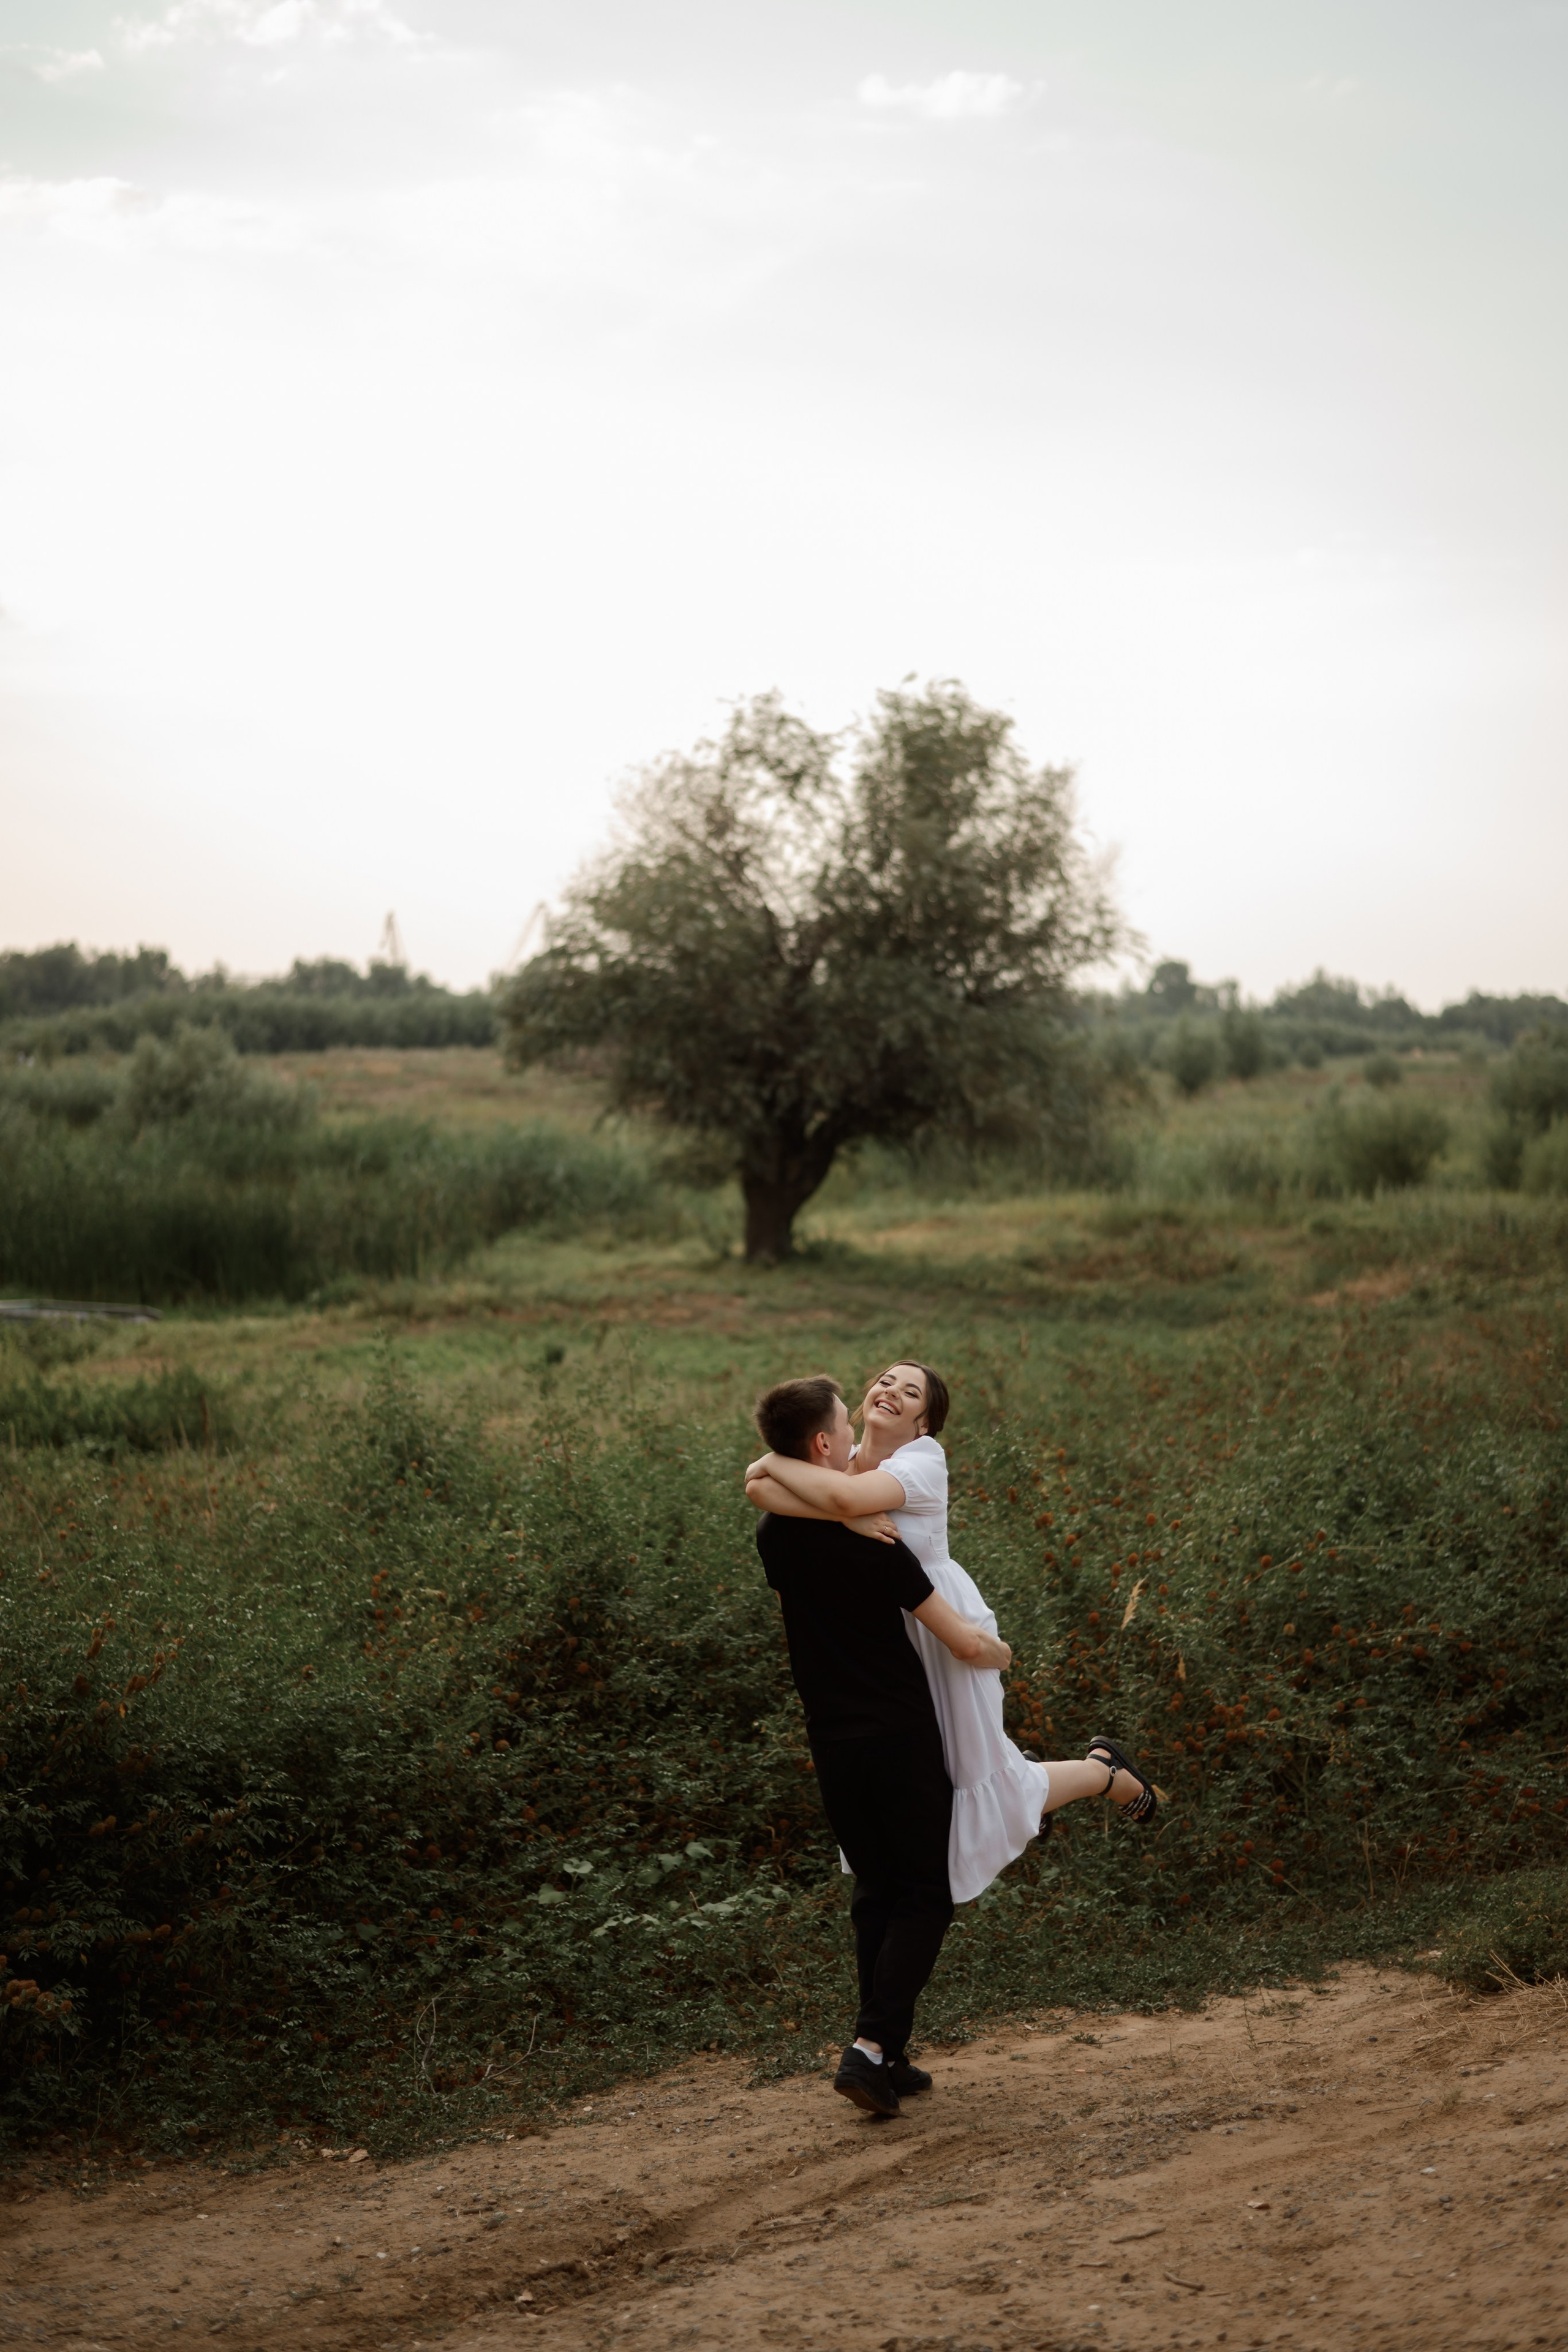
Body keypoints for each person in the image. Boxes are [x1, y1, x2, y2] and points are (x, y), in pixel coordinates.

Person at [746, 1360, 1158, 1911]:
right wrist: (839, 1515)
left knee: (979, 1780)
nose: (892, 1391)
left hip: (943, 1628)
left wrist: (821, 1497)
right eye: (886, 1381)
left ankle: (1102, 1772)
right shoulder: (843, 1460)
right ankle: (1038, 1793)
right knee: (941, 1778)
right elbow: (759, 1488)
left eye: (911, 1392)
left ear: (924, 1423)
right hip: (889, 1640)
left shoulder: (922, 1461)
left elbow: (815, 1491)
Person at [749, 1373, 1009, 2119]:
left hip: (830, 1737)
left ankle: (887, 2057)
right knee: (924, 1893)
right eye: (844, 1420)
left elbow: (767, 1490)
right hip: (897, 1730)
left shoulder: (772, 1535)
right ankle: (868, 2048)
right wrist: (998, 1653)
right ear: (825, 1444)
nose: (857, 1423)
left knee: (874, 1891)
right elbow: (960, 1640)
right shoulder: (880, 1543)